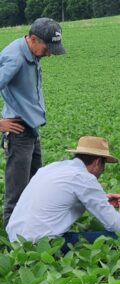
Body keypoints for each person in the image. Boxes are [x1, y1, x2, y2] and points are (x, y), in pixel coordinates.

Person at [6, 136, 120, 252]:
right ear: (97, 163)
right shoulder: (84, 178)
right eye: (103, 166)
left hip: (15, 241)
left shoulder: (51, 168)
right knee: (116, 238)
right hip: (40, 246)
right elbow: (118, 228)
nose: (102, 171)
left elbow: (61, 198)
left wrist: (103, 200)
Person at [0, 17, 66, 227]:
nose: (49, 54)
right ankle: (15, 243)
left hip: (31, 129)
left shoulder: (31, 53)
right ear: (34, 39)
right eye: (47, 48)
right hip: (18, 131)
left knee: (35, 184)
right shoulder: (15, 58)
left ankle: (32, 229)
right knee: (17, 192)